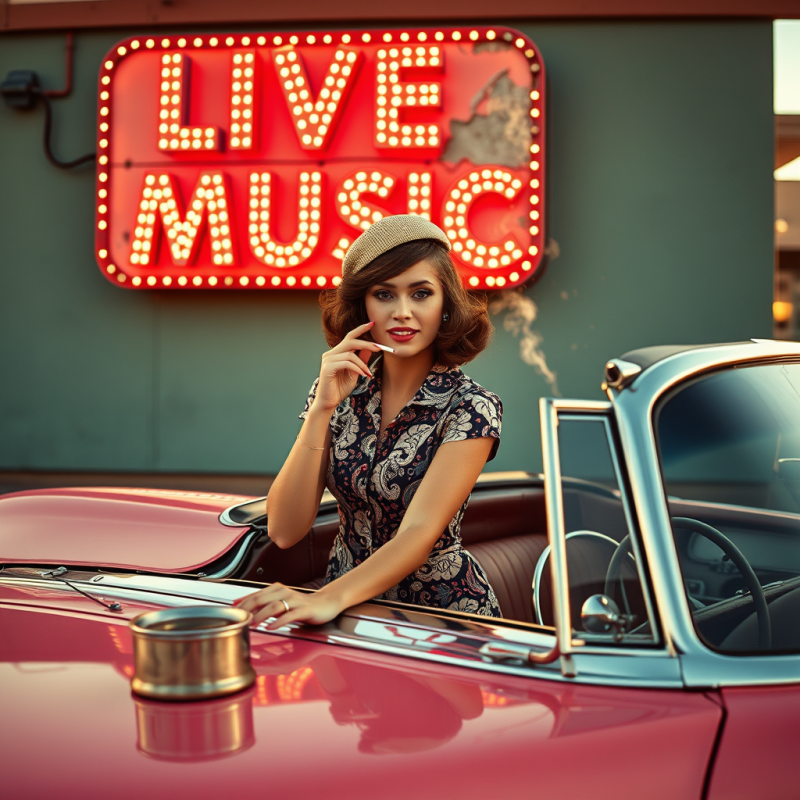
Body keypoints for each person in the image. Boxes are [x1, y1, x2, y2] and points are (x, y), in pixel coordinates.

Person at [237, 215, 503, 628]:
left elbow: (418, 533)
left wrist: (325, 599)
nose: (403, 312)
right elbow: (284, 530)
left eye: (421, 293)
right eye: (384, 294)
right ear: (363, 305)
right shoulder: (337, 393)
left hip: (438, 618)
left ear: (446, 305)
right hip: (343, 615)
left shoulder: (472, 407)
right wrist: (322, 408)